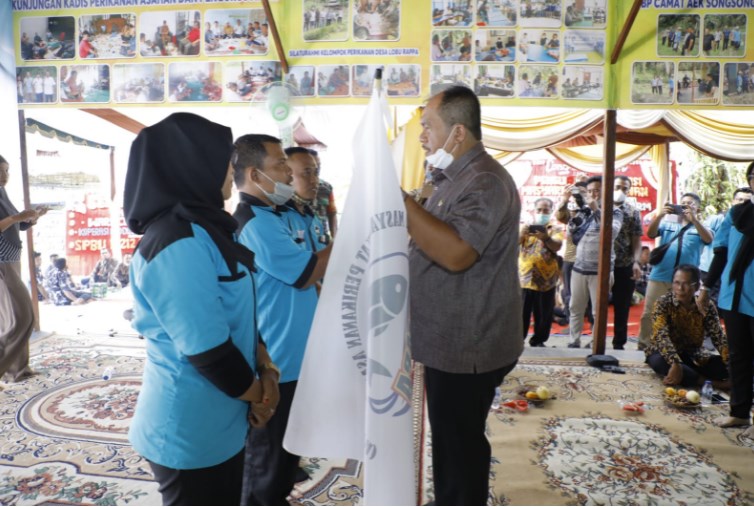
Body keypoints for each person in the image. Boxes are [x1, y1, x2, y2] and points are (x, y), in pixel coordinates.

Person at [124, 113, 279, 505]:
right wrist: (262, 396)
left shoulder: (208, 228)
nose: (231, 171)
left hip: (223, 410)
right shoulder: (175, 242)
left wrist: (265, 367)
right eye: (223, 161)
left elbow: (240, 309)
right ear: (189, 165)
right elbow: (208, 350)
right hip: (188, 427)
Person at [402, 86, 523, 505]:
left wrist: (399, 202)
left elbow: (456, 254)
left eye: (427, 127)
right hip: (449, 336)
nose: (421, 137)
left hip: (467, 342)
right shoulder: (452, 178)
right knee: (453, 436)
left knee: (460, 442)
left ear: (456, 132)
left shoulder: (484, 180)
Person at [231, 135, 332, 505]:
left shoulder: (284, 213)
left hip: (296, 351)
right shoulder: (255, 222)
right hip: (276, 356)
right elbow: (305, 273)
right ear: (255, 174)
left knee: (289, 450)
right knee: (267, 460)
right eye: (281, 167)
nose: (290, 175)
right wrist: (355, 237)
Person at [701, 161, 754, 435]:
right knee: (738, 357)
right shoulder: (736, 214)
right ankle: (740, 413)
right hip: (733, 298)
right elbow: (720, 253)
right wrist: (705, 287)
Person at [637, 194, 712, 350]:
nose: (684, 206)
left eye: (689, 204)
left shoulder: (701, 227)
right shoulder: (668, 223)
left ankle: (676, 347)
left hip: (685, 281)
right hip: (660, 275)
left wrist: (694, 220)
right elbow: (650, 233)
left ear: (697, 208)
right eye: (682, 204)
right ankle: (644, 345)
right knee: (650, 312)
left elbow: (709, 239)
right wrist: (660, 215)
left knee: (681, 315)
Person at [0, 154, 47, 383]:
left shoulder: (2, 193)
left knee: (12, 319)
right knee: (23, 318)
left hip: (11, 259)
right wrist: (18, 216)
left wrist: (32, 218)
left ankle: (17, 371)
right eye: (1, 171)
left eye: (7, 170)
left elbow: (15, 225)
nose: (5, 175)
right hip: (2, 263)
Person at [646, 265, 729, 388]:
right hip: (663, 353)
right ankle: (717, 384)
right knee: (663, 364)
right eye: (676, 283)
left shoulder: (706, 305)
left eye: (686, 284)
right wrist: (675, 363)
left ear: (696, 286)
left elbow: (718, 336)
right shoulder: (663, 303)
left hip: (693, 354)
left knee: (727, 367)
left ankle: (690, 374)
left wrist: (729, 361)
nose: (680, 288)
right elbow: (661, 336)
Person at [566, 176, 623, 348]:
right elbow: (570, 231)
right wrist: (571, 207)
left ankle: (595, 342)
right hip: (579, 268)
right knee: (575, 307)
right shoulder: (583, 211)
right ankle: (573, 341)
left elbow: (612, 232)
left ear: (606, 191)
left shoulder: (615, 211)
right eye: (589, 191)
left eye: (597, 190)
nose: (593, 194)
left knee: (598, 311)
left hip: (601, 270)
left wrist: (596, 209)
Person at [519, 198, 562, 347]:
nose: (542, 213)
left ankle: (538, 340)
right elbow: (512, 245)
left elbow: (557, 246)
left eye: (546, 210)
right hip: (525, 278)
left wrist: (546, 238)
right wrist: (521, 234)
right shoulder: (525, 227)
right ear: (534, 211)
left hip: (546, 279)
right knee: (520, 313)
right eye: (539, 210)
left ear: (551, 211)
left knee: (544, 313)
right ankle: (518, 341)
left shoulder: (555, 229)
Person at [611, 176, 643, 350]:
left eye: (624, 188)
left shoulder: (633, 212)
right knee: (595, 305)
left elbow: (637, 241)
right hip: (600, 266)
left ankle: (619, 343)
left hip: (624, 265)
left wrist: (636, 262)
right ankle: (594, 340)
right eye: (617, 187)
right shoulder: (600, 208)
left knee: (622, 306)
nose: (620, 191)